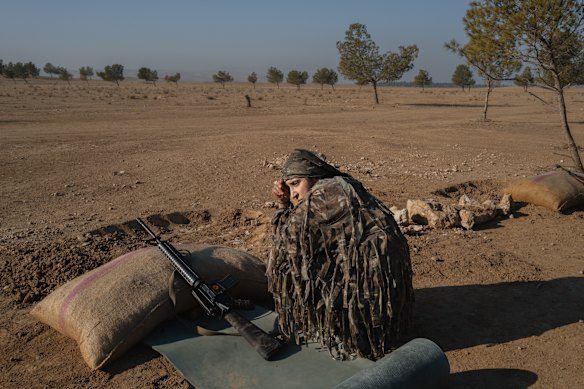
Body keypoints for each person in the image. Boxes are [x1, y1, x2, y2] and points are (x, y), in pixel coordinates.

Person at [267, 149, 414, 361]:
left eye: (296, 184)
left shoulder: (320, 198)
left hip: (371, 298)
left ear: (315, 178)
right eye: (288, 187)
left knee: (284, 271)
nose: (293, 195)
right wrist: (290, 201)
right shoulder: (341, 184)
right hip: (389, 296)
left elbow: (282, 250)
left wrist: (282, 206)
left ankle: (350, 337)